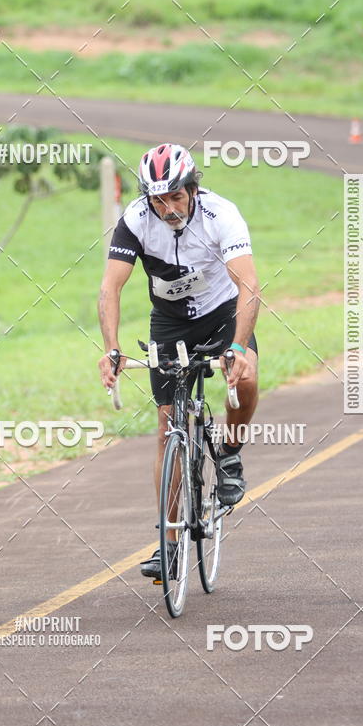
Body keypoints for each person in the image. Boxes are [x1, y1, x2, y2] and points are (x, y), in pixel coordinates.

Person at [97, 143, 260, 580]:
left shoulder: (221, 214)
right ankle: (168, 544)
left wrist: (237, 349)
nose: (168, 208)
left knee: (245, 381)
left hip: (222, 314)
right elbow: (110, 288)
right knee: (168, 425)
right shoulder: (135, 219)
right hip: (169, 323)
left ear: (192, 189)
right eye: (158, 200)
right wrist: (111, 347)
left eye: (176, 196)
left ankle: (230, 454)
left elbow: (249, 287)